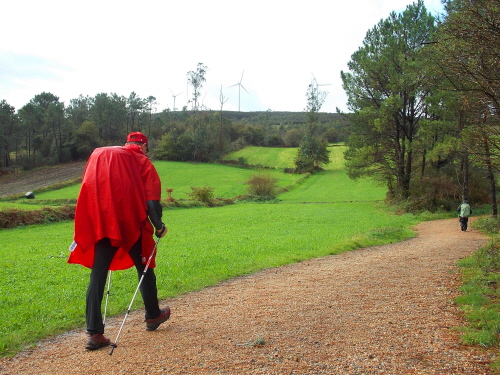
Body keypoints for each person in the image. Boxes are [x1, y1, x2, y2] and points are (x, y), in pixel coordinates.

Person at [68, 132, 170, 350]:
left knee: (98, 274)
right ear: (143, 146)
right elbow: (151, 201)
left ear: (127, 143)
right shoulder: (141, 160)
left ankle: (94, 333)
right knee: (145, 267)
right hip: (130, 224)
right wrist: (159, 226)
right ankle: (152, 315)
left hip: (102, 222)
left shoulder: (100, 154)